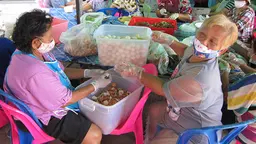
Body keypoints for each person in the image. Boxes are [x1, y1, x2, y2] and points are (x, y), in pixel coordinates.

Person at [114, 14, 238, 143]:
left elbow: (162, 89)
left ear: (222, 51)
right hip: (183, 112)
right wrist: (168, 41)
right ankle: (148, 138)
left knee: (153, 107)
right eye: (202, 34)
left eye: (212, 42)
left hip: (196, 133)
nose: (203, 42)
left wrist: (137, 72)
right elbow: (185, 51)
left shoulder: (198, 80)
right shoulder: (199, 54)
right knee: (153, 109)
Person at [4, 9, 112, 144]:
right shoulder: (35, 72)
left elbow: (60, 71)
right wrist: (95, 84)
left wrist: (88, 72)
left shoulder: (28, 52)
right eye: (49, 37)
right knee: (94, 135)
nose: (53, 40)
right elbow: (67, 100)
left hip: (40, 98)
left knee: (90, 100)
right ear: (36, 42)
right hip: (42, 115)